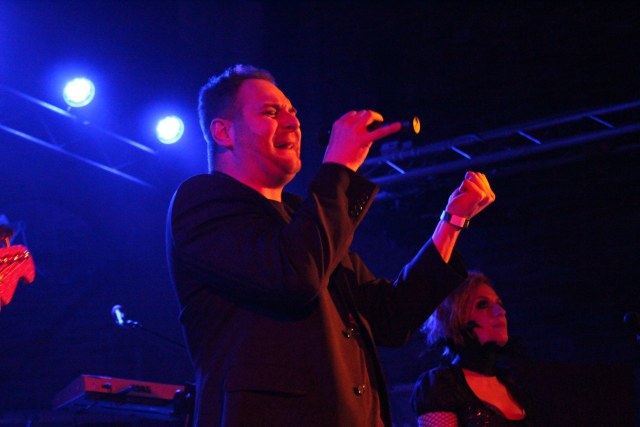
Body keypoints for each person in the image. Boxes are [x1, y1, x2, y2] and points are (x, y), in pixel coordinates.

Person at [165, 64, 495, 426]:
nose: (292, 123)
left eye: (293, 112)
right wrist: (338, 166)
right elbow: (295, 275)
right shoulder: (202, 201)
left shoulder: (304, 217)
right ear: (223, 131)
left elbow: (391, 317)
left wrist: (451, 222)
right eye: (271, 112)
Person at [411, 272, 533, 426]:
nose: (501, 311)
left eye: (499, 304)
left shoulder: (514, 383)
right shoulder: (442, 385)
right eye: (482, 304)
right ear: (455, 317)